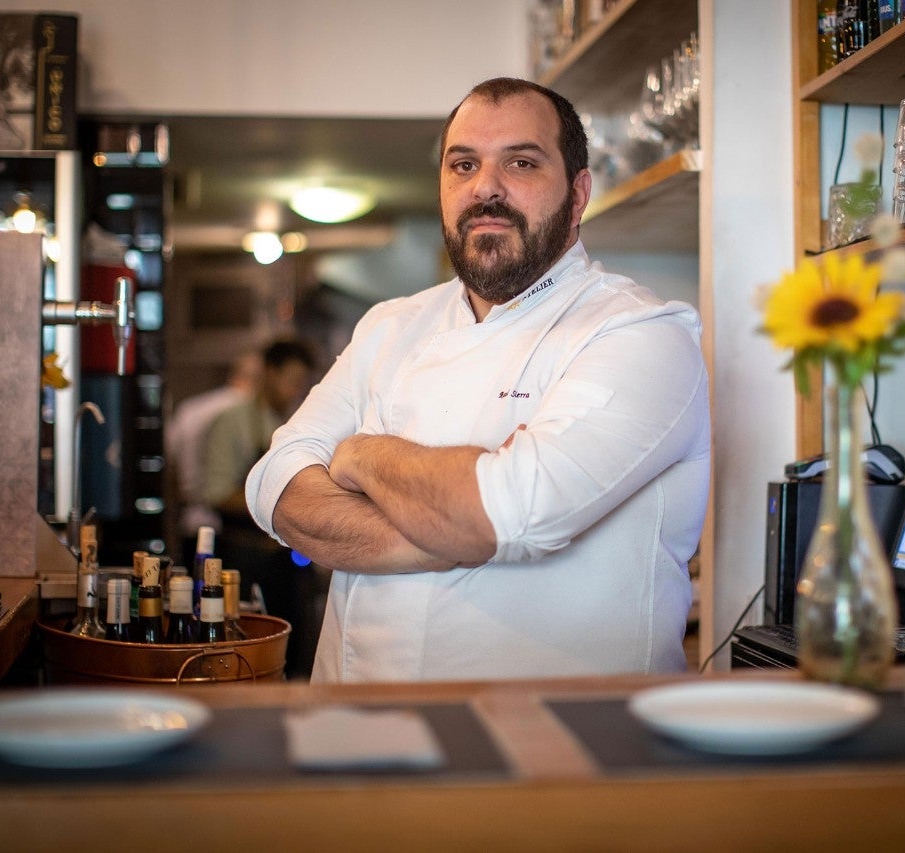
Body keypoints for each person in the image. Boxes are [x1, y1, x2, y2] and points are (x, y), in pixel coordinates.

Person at [246, 77, 711, 683]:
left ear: (578, 193)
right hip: (359, 735)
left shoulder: (641, 333)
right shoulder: (391, 325)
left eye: (520, 161)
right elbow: (276, 489)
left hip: (558, 749)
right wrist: (451, 533)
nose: (485, 187)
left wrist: (360, 456)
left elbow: (511, 514)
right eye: (462, 164)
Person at [203, 339, 323, 678]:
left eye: (302, 383)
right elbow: (215, 493)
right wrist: (278, 502)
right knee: (252, 656)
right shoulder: (232, 422)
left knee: (293, 655)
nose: (297, 390)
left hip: (286, 560)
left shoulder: (293, 426)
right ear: (269, 373)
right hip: (245, 558)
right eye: (292, 380)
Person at [166, 349, 262, 565]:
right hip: (230, 528)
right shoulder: (247, 413)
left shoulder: (191, 408)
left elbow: (170, 466)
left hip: (190, 521)